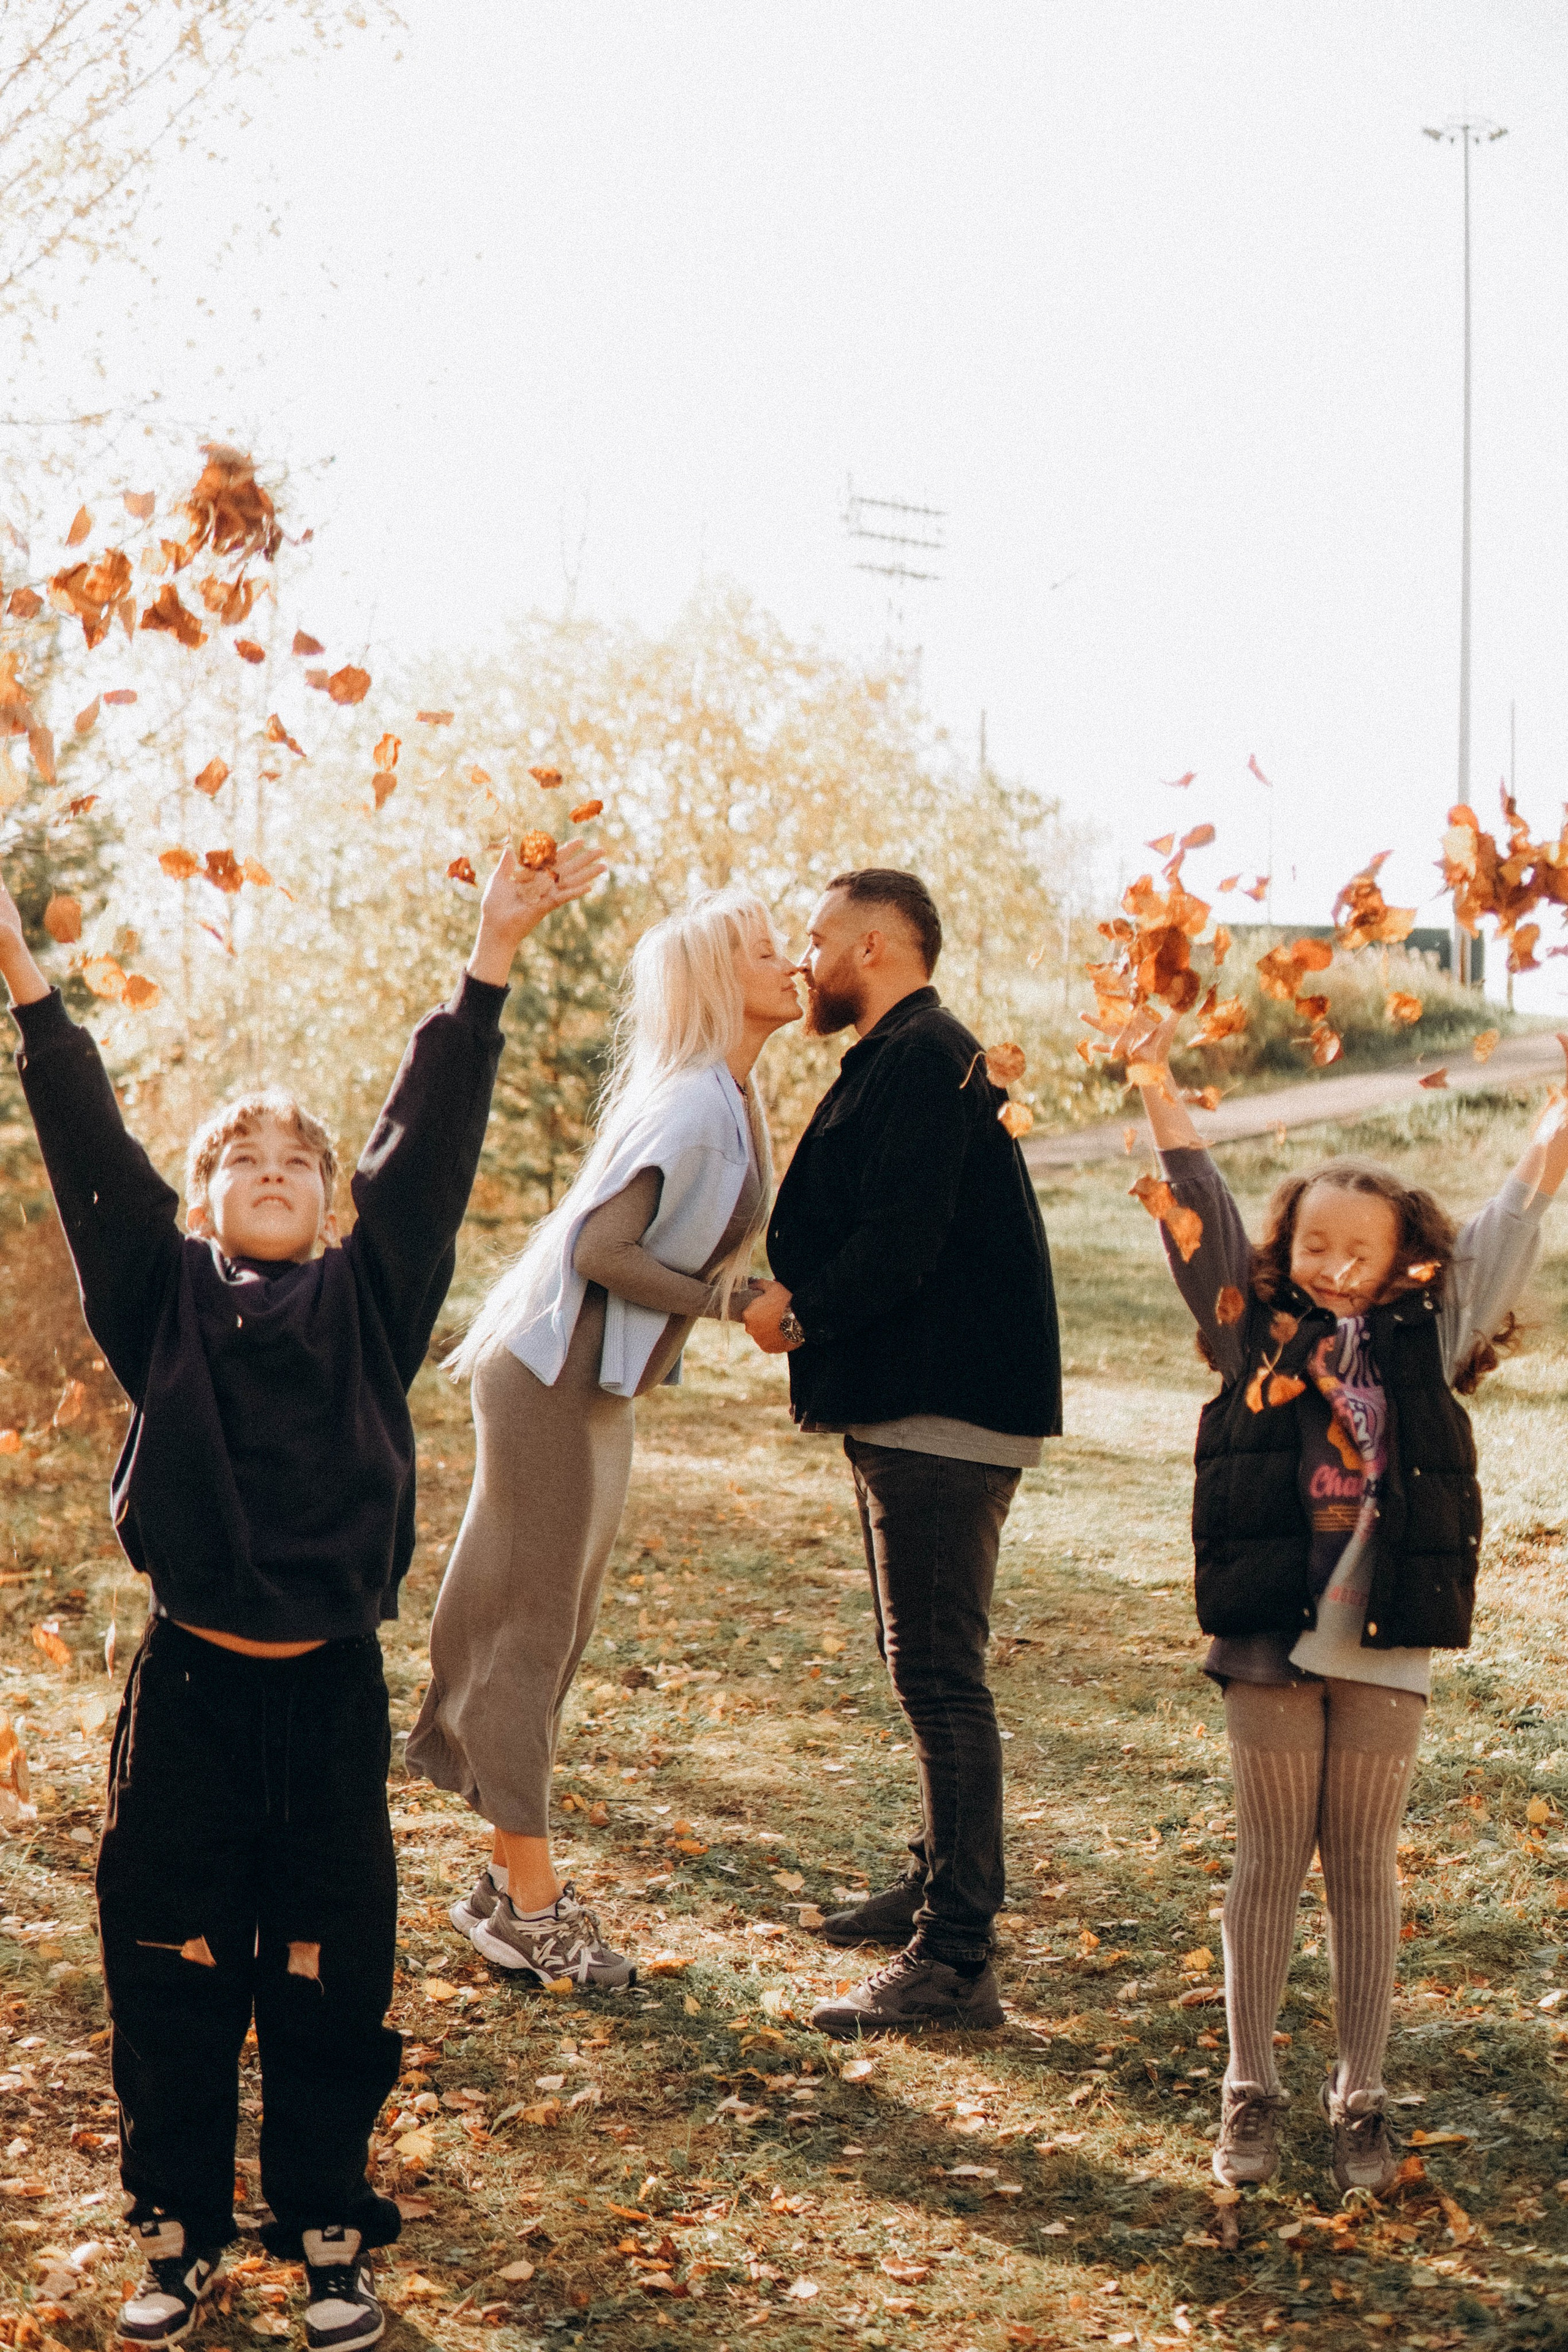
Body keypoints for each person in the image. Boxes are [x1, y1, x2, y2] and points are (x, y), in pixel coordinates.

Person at [0, 837, 602, 2352]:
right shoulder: (162, 1302)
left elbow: (429, 1145)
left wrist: (490, 956)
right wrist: (23, 979)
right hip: (192, 1694)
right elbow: (89, 1147)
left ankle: (329, 2232)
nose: (269, 1180)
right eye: (239, 1166)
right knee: (171, 1966)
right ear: (204, 1204)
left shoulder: (370, 1298)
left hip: (325, 1695)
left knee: (331, 1972)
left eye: (297, 1168)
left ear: (330, 1206)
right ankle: (179, 2232)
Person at [1129, 1017, 1568, 2193]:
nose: (1332, 1264)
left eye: (1357, 1250)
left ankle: (1361, 2100)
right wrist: (1157, 1077)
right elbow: (1202, 1210)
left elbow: (1515, 1221)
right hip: (1271, 1632)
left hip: (1386, 1638)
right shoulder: (1250, 1329)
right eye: (1314, 1243)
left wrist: (1560, 1114)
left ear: (1400, 1259)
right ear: (1288, 1251)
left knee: (1364, 1864)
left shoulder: (1434, 1334)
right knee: (1272, 1858)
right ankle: (1250, 2095)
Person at [409, 884, 802, 1986]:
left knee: (554, 1624)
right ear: (722, 983)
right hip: (545, 1375)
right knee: (534, 1626)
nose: (791, 968)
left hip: (587, 1385)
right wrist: (738, 1308)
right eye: (767, 954)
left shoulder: (724, 1096)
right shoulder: (691, 1105)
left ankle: (502, 1880)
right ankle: (531, 1906)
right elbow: (597, 1251)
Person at [746, 869, 1061, 2037]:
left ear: (875, 945)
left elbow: (904, 1241)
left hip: (947, 1405)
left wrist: (802, 1313)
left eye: (819, 940)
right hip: (918, 1404)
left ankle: (957, 1959)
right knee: (927, 1666)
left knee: (937, 1674)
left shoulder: (930, 1059)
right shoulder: (904, 1055)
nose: (805, 960)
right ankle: (940, 1884)